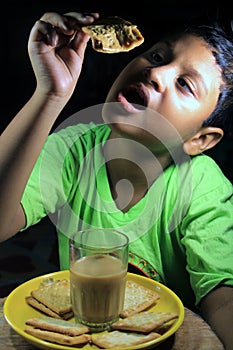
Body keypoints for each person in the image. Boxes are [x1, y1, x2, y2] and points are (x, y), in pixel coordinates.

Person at [1, 10, 233, 349]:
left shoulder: (202, 186)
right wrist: (50, 94)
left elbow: (223, 300)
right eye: (157, 56)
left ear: (200, 140)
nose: (156, 72)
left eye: (185, 84)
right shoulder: (74, 150)